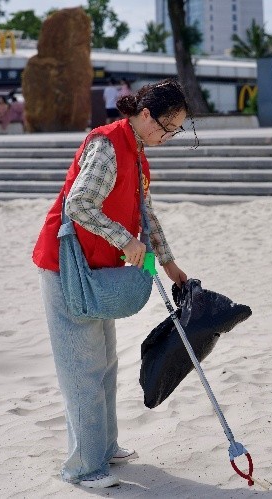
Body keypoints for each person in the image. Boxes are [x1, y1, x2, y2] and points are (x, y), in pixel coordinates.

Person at [32, 78, 190, 489]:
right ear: (145, 114)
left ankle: (104, 447)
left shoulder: (138, 152)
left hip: (99, 269)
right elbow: (79, 203)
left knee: (104, 364)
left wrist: (168, 263)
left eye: (175, 131)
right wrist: (125, 240)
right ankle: (83, 468)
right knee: (82, 370)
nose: (168, 137)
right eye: (167, 128)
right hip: (67, 266)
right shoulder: (107, 145)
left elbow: (146, 214)